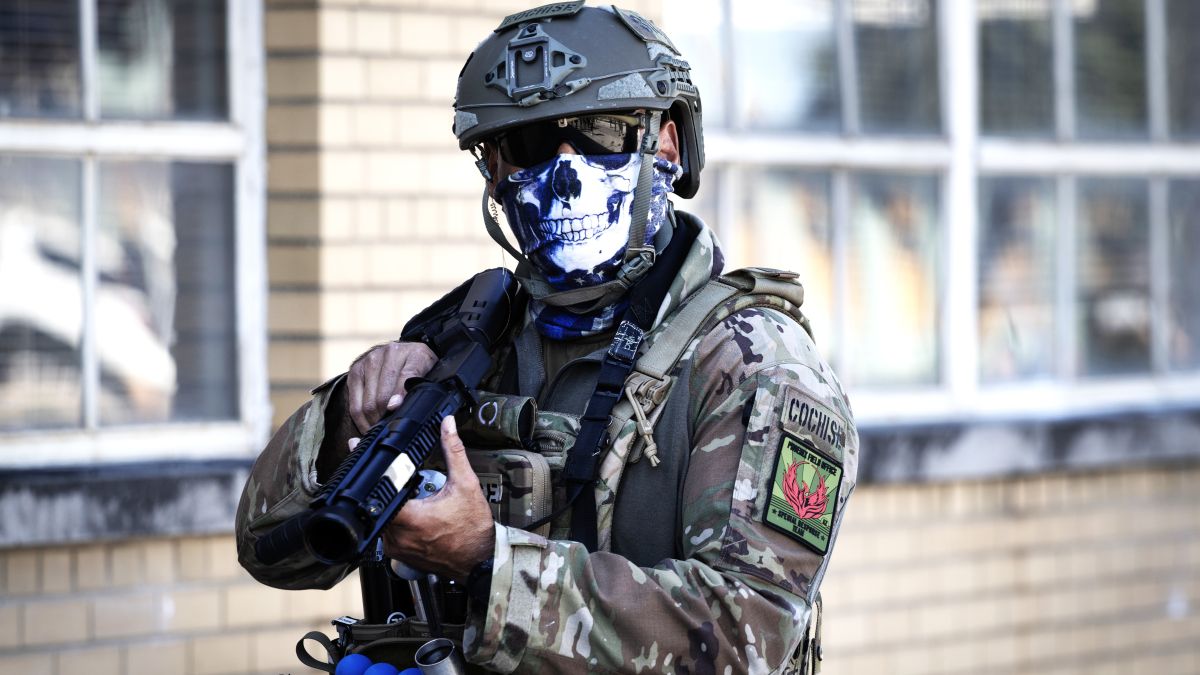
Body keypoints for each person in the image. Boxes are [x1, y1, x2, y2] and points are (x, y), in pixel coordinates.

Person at [236, 4, 859, 673]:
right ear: (495, 170)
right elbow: (267, 546)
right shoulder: (471, 338)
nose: (566, 173)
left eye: (598, 134)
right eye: (530, 146)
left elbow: (745, 636)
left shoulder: (754, 366)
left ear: (668, 144)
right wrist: (348, 421)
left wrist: (489, 563)